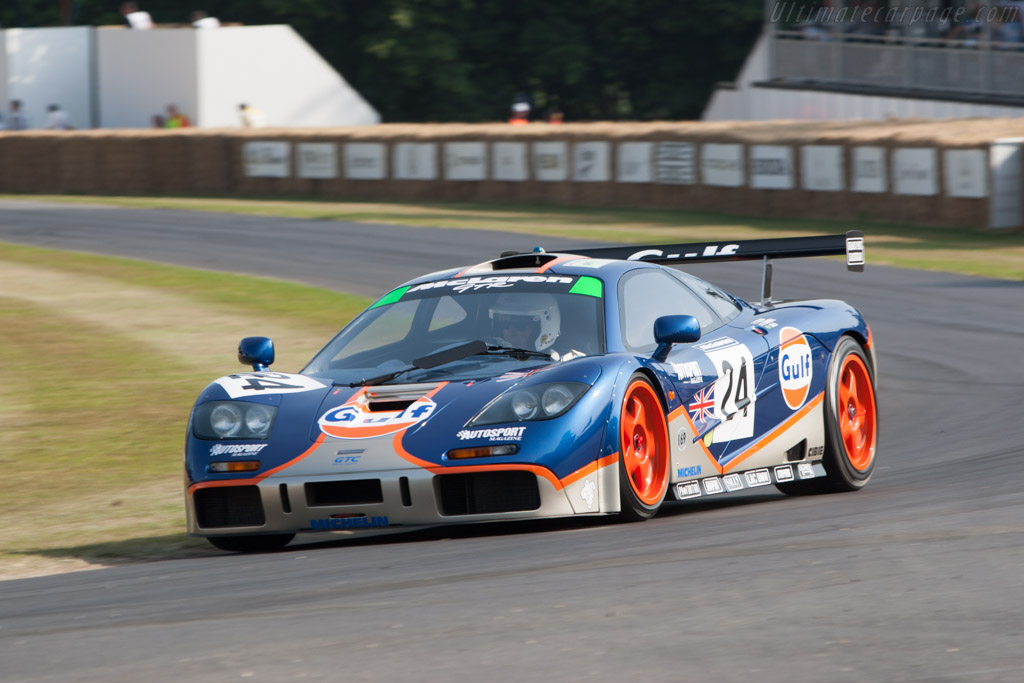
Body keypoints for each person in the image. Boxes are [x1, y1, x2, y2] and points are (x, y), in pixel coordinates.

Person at [489, 293, 561, 351]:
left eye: (520, 325)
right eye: (504, 323)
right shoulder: (485, 360)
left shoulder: (561, 365)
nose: (511, 332)